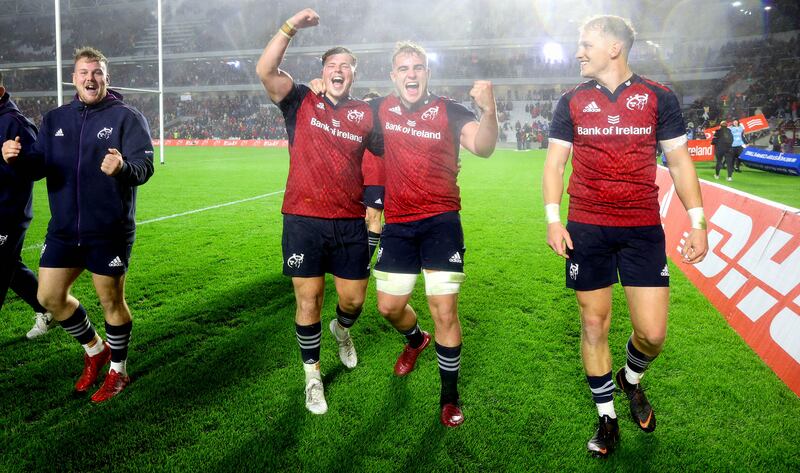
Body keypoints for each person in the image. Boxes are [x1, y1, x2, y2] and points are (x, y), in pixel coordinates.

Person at [542, 16, 708, 457]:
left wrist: (698, 221)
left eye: (586, 43)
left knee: (652, 334)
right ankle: (607, 418)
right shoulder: (571, 100)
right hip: (587, 227)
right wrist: (553, 219)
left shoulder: (657, 96)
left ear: (614, 48)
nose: (578, 51)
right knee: (593, 323)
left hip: (641, 228)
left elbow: (679, 162)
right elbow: (555, 163)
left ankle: (630, 379)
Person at [2, 47, 154, 403]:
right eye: (84, 72)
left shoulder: (127, 117)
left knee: (111, 301)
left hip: (108, 229)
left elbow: (145, 167)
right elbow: (38, 166)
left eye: (97, 72)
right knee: (48, 297)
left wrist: (123, 168)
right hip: (65, 230)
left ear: (106, 78)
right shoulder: (56, 119)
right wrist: (16, 158)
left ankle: (119, 371)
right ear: (73, 79)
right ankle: (95, 350)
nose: (90, 78)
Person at [255, 8, 379, 415]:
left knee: (353, 301)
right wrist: (290, 26)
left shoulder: (366, 115)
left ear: (354, 74)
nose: (338, 70)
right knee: (307, 299)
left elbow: (392, 154)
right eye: (332, 65)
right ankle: (312, 377)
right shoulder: (301, 100)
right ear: (322, 72)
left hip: (348, 221)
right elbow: (265, 69)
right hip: (303, 220)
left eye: (346, 65)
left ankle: (341, 330)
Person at [370, 41, 498, 427]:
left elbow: (483, 147)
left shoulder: (449, 110)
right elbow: (344, 119)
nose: (411, 74)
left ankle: (449, 398)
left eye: (418, 67)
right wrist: (322, 90)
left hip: (441, 222)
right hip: (399, 224)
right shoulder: (379, 109)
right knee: (389, 307)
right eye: (404, 68)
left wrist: (489, 110)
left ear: (427, 73)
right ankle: (416, 340)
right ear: (393, 76)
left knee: (444, 310)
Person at [0, 72, 53, 339]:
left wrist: (14, 160)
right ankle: (46, 308)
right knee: (12, 267)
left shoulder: (15, 122)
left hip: (7, 212)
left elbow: (39, 166)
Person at [361, 92, 385, 262]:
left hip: (376, 178)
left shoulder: (383, 130)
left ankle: (364, 260)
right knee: (360, 219)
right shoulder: (358, 127)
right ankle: (358, 254)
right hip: (358, 178)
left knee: (373, 218)